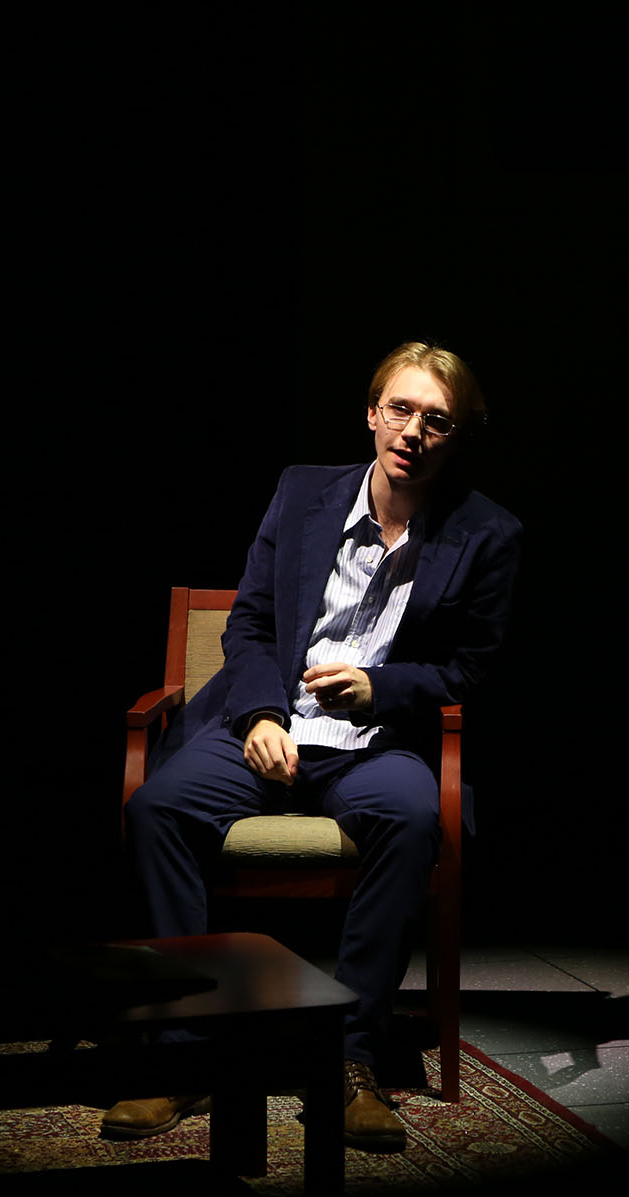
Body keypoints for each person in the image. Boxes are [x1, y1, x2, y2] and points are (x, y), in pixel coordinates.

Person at [109, 340, 521, 1151]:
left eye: (436, 420)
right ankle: (185, 1053)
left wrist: (380, 688)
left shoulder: (488, 533)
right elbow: (251, 622)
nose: (413, 432)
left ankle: (352, 1059)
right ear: (372, 414)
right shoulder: (303, 493)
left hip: (377, 744)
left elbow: (473, 668)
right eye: (400, 410)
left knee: (412, 818)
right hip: (272, 726)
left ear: (457, 435)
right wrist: (262, 715)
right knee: (157, 809)